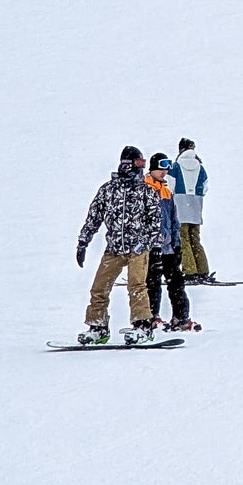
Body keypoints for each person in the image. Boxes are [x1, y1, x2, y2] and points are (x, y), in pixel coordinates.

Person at [75, 146, 161, 345]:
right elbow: (94, 217)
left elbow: (156, 222)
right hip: (114, 248)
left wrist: (147, 243)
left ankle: (142, 326)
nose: (142, 168)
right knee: (99, 287)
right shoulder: (108, 190)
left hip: (137, 247)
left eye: (144, 164)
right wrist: (83, 241)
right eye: (139, 163)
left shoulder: (146, 191)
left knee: (136, 285)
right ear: (127, 164)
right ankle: (98, 327)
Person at [145, 155, 198, 333]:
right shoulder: (145, 190)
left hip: (169, 248)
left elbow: (174, 220)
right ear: (152, 169)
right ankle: (151, 316)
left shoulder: (166, 191)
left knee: (175, 281)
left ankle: (181, 317)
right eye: (161, 168)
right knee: (152, 282)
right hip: (152, 247)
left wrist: (176, 243)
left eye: (166, 169)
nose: (164, 172)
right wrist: (154, 244)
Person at [172, 138, 211, 281]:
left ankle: (189, 271)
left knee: (183, 239)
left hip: (180, 207)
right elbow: (205, 186)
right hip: (196, 207)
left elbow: (170, 185)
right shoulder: (200, 167)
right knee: (195, 238)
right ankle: (202, 269)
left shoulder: (176, 166)